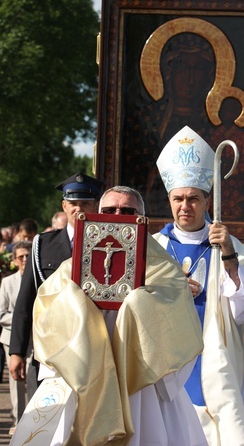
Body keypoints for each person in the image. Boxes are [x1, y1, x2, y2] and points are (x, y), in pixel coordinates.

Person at [11, 186, 207, 446]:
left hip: (140, 378)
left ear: (142, 218)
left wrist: (138, 302)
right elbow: (48, 304)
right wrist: (77, 300)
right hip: (83, 370)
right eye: (109, 210)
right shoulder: (71, 266)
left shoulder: (162, 265)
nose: (117, 215)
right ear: (97, 213)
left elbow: (177, 312)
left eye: (127, 211)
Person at [153, 126, 244, 446]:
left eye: (193, 198)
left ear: (207, 201)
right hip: (162, 360)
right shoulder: (153, 247)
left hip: (212, 359)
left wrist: (230, 258)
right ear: (169, 200)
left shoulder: (227, 245)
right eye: (178, 198)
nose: (185, 206)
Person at [9, 171, 103, 384]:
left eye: (85, 203)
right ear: (64, 206)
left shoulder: (107, 244)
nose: (79, 209)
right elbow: (26, 301)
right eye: (73, 203)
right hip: (51, 348)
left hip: (95, 348)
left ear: (95, 206)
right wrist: (17, 351)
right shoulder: (43, 245)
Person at [0, 241, 38, 436]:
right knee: (16, 384)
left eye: (27, 256)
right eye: (21, 257)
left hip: (35, 341)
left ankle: (32, 421)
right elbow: (1, 313)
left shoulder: (38, 279)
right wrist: (20, 321)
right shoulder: (8, 282)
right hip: (11, 340)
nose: (25, 259)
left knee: (33, 381)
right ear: (14, 260)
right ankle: (17, 420)